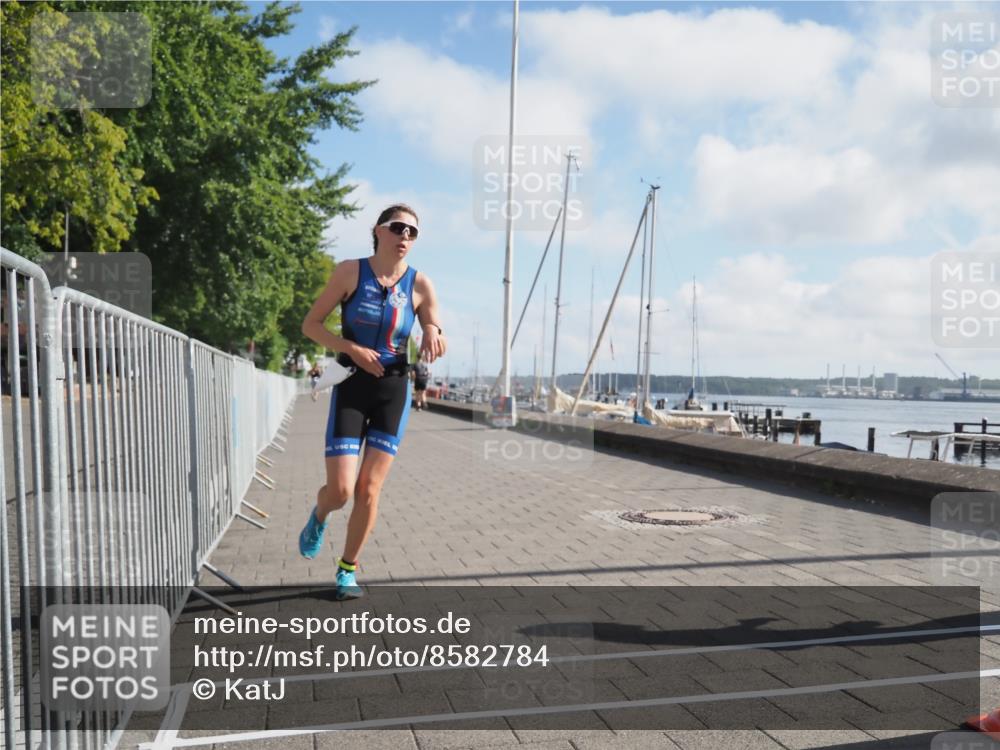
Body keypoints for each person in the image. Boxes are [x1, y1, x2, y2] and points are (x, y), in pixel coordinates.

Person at [298, 203, 445, 599]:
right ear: (378, 231)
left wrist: (432, 330)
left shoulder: (419, 284)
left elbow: (431, 319)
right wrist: (351, 348)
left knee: (368, 489)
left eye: (413, 232)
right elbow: (310, 325)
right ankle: (319, 514)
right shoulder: (350, 272)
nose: (405, 237)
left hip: (392, 390)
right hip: (351, 386)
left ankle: (347, 569)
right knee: (342, 490)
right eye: (398, 228)